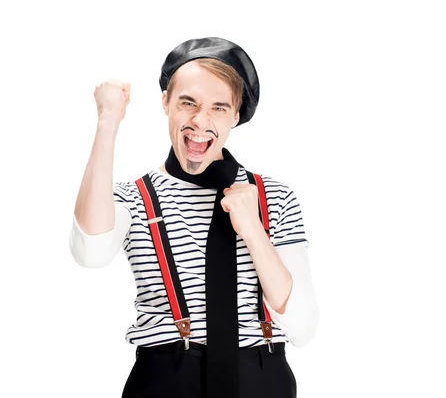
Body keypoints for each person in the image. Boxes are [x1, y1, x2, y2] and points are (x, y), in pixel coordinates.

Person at [69, 37, 319, 398]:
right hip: (166, 381)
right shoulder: (133, 198)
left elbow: (302, 327)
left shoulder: (274, 197)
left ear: (235, 115)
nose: (200, 121)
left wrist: (252, 230)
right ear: (166, 102)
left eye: (219, 107)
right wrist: (108, 122)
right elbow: (89, 253)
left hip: (262, 381)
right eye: (188, 103)